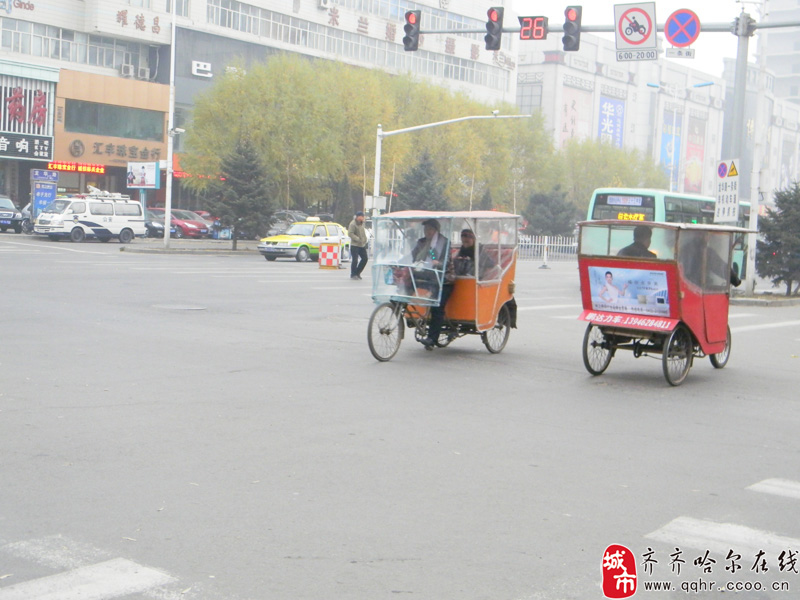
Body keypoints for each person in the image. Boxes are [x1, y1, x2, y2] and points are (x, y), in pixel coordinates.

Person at [409, 219, 453, 348]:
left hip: (444, 279)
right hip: (426, 276)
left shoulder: (444, 242)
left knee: (437, 307)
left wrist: (438, 263)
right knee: (406, 286)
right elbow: (413, 256)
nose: (427, 232)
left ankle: (432, 339)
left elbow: (446, 260)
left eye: (430, 229)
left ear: (436, 230)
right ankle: (402, 309)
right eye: (426, 229)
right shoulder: (421, 242)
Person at [348, 211, 368, 280]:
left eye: (363, 216)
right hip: (355, 245)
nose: (363, 218)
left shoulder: (362, 224)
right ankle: (353, 274)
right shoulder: (353, 224)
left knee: (365, 258)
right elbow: (350, 233)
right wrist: (357, 239)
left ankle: (358, 272)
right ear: (358, 217)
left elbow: (363, 233)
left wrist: (365, 240)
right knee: (355, 260)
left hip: (361, 245)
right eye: (362, 216)